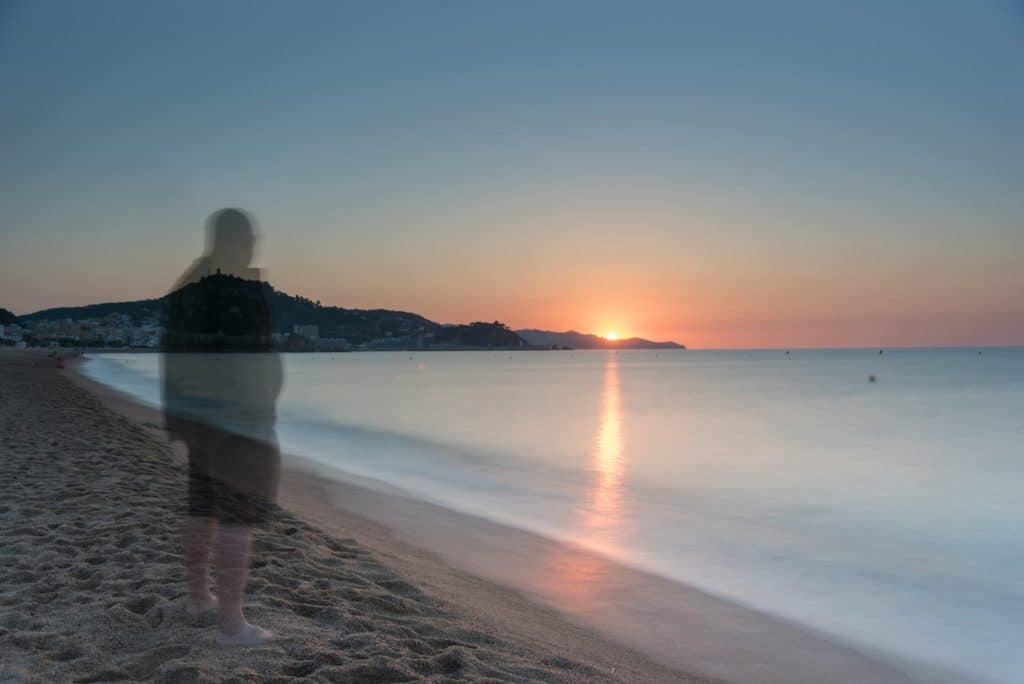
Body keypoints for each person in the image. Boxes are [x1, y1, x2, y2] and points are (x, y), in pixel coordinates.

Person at [160, 209, 283, 645]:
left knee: (202, 509)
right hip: (238, 421)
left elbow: (172, 357)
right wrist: (262, 409)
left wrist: (176, 420)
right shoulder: (240, 291)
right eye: (250, 238)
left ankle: (198, 598)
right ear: (237, 241)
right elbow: (252, 360)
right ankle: (231, 624)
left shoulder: (187, 290)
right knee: (237, 517)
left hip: (196, 420)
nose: (254, 246)